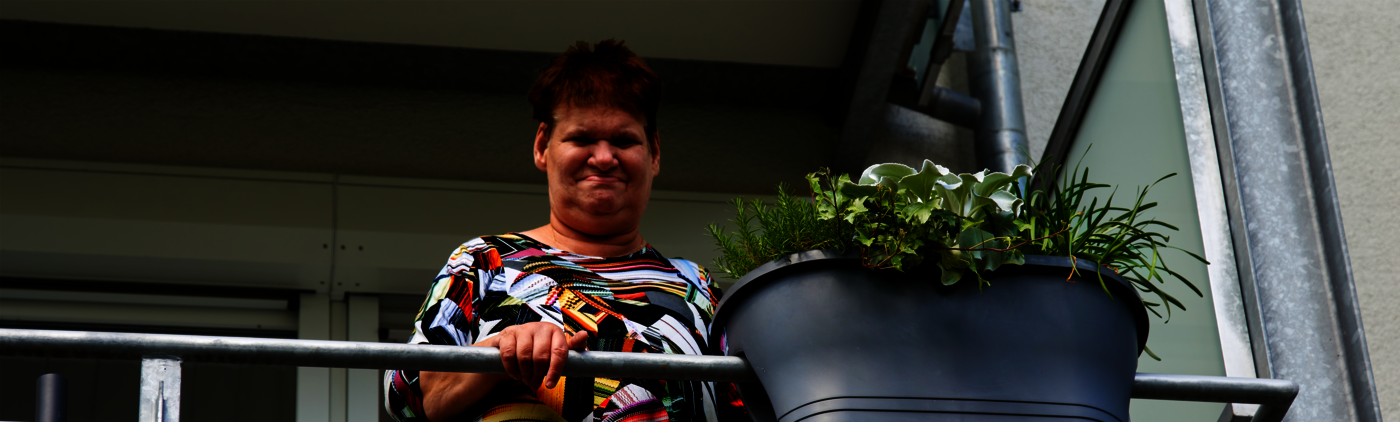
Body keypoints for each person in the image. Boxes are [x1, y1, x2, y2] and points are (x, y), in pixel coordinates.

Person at [383, 40, 739, 422]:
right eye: (582, 138)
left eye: (624, 140)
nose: (604, 158)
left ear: (654, 153)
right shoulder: (485, 261)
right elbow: (408, 396)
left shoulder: (698, 286)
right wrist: (502, 350)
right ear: (542, 146)